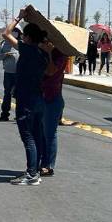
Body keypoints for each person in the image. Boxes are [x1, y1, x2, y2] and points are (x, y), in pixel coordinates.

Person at [2, 14, 51, 186]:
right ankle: (35, 171)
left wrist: (19, 17)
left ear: (28, 37)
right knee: (37, 137)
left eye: (23, 36)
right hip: (38, 100)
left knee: (28, 137)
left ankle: (31, 174)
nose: (21, 37)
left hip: (26, 100)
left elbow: (6, 33)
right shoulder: (44, 54)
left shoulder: (26, 49)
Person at [39, 47, 67, 178]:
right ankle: (42, 163)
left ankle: (49, 166)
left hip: (52, 98)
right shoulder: (42, 51)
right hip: (41, 97)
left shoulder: (60, 54)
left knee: (50, 134)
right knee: (42, 135)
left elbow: (50, 71)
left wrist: (49, 52)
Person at [0, 29, 20, 121]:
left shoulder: (21, 42)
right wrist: (5, 55)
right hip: (8, 73)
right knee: (7, 94)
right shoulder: (3, 43)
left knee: (20, 95)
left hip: (20, 73)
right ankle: (5, 114)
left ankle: (19, 115)